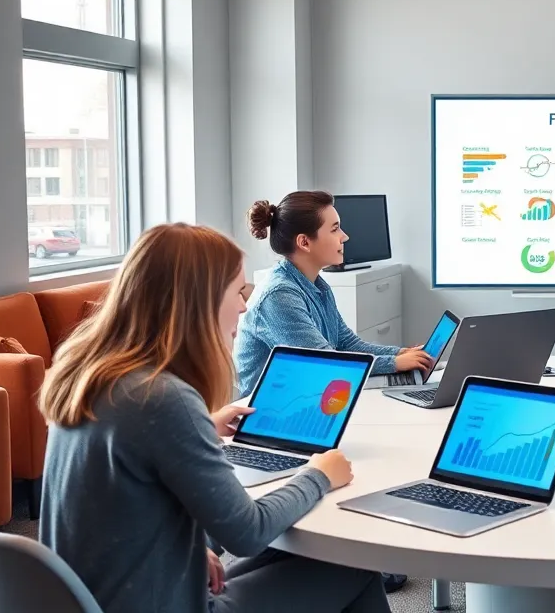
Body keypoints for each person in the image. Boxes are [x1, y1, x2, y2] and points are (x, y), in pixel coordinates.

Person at [37, 223, 388, 613]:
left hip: (102, 597)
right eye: (237, 292)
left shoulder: (87, 373)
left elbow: (114, 498)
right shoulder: (162, 398)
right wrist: (319, 475)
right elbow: (248, 532)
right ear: (199, 302)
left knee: (307, 558)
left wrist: (201, 425)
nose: (243, 306)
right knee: (354, 564)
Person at [233, 190, 423, 593]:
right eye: (335, 229)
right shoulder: (280, 296)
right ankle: (348, 549)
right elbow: (327, 364)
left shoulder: (315, 284)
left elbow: (347, 344)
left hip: (309, 406)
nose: (345, 237)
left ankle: (359, 547)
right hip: (278, 420)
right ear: (305, 241)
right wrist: (393, 365)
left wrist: (401, 355)